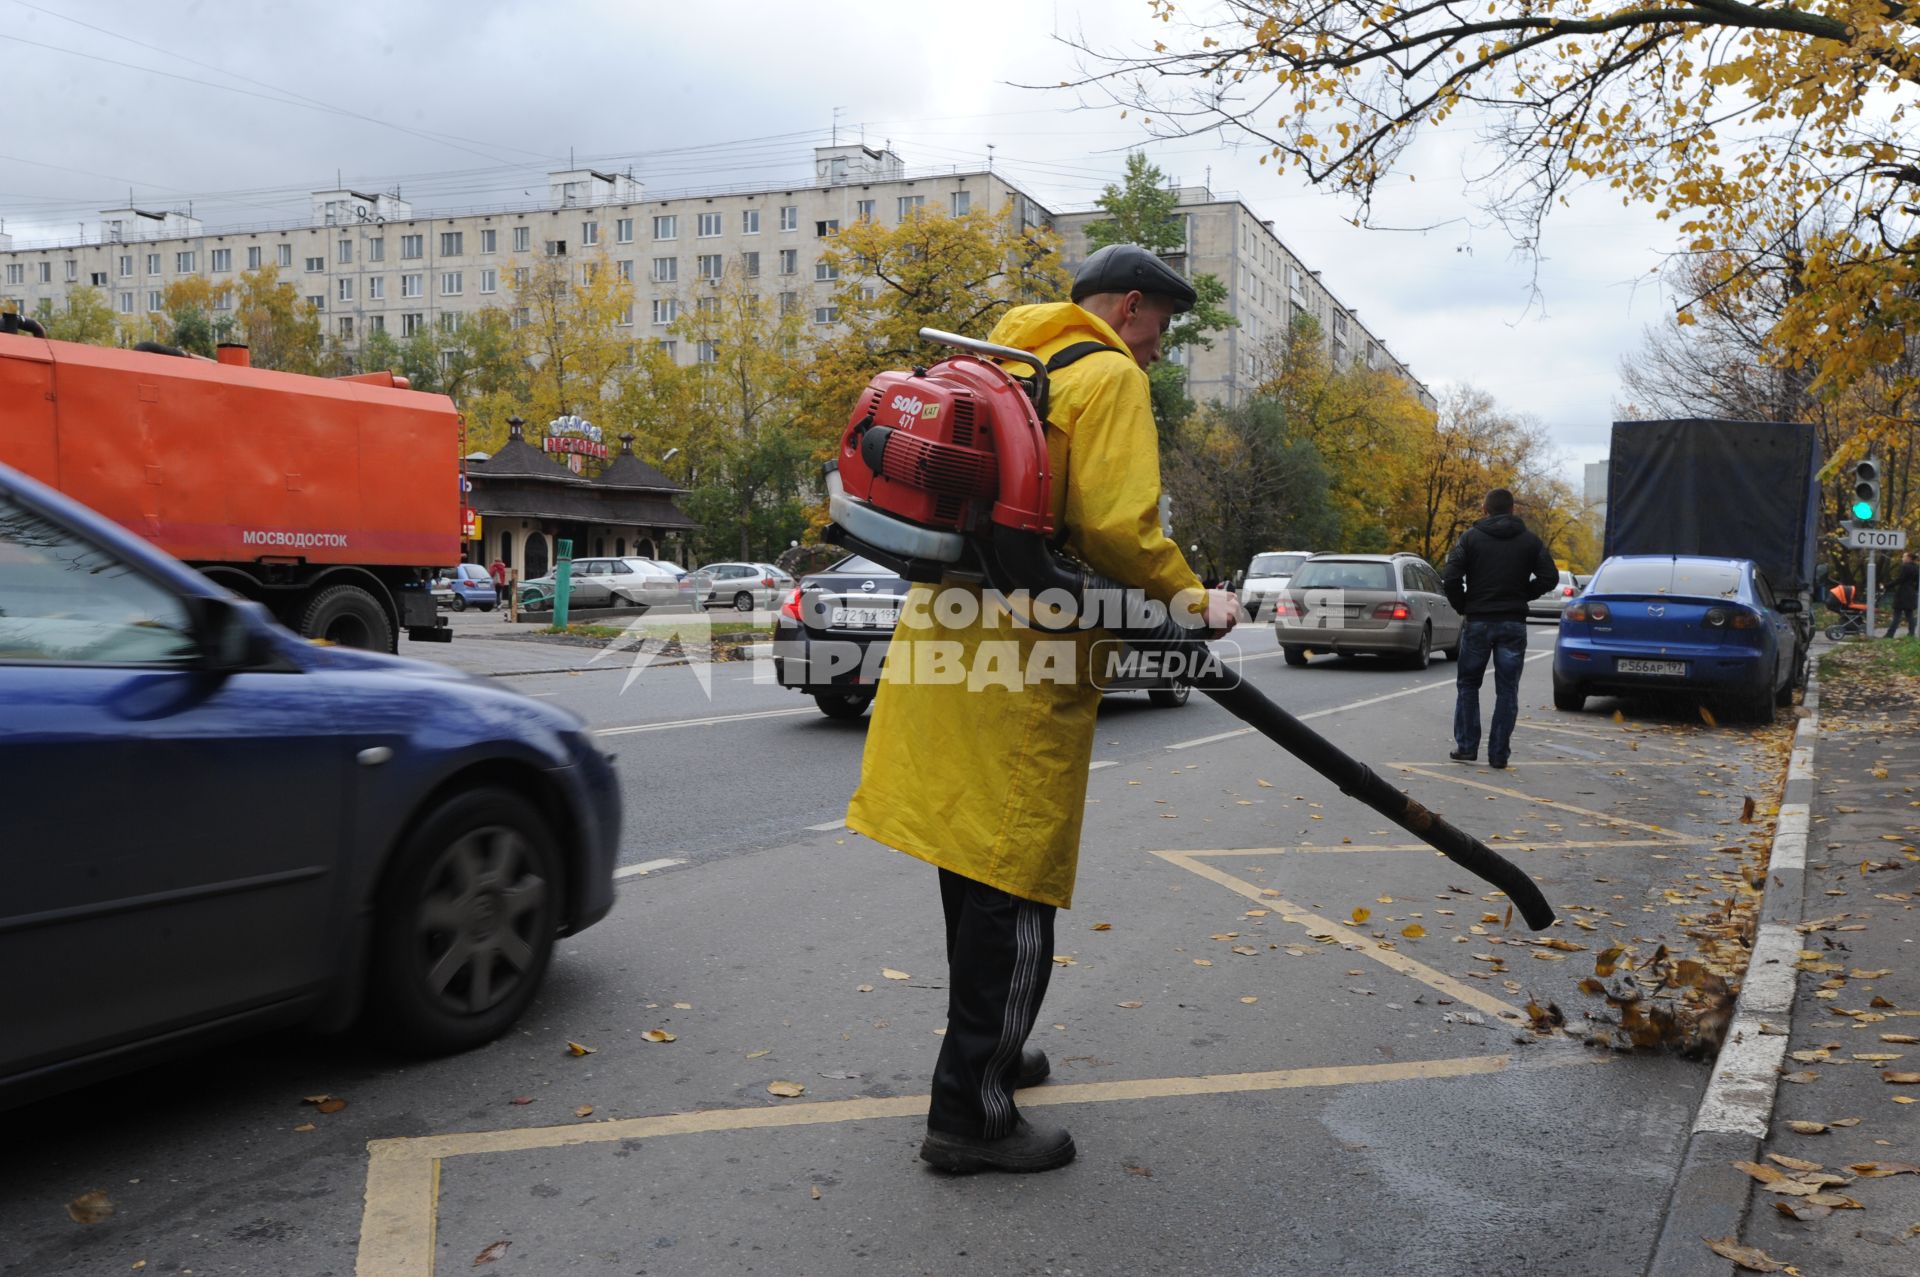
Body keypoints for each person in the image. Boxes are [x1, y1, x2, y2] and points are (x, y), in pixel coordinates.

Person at [846, 245, 1238, 1175]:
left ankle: (999, 1048)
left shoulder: (1005, 363)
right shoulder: (1108, 379)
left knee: (971, 863)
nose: (1157, 352)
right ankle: (971, 1112)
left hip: (946, 646)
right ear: (1132, 308)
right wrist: (1197, 600)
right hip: (1024, 663)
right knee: (1016, 882)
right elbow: (1116, 526)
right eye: (1162, 331)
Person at [1441, 488, 1558, 769]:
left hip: (1478, 621)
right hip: (1512, 624)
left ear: (1485, 509)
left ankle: (1467, 747)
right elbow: (1549, 576)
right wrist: (1523, 595)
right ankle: (1498, 754)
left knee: (1469, 684)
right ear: (1512, 510)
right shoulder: (1530, 541)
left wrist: (1464, 605)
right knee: (1507, 690)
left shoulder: (1470, 539)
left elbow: (1451, 576)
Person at [1886, 551, 1918, 638]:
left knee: (1897, 615)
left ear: (1909, 558)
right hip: (1911, 593)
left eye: (1904, 557)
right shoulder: (1916, 568)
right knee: (1910, 615)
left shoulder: (1905, 567)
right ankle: (1911, 633)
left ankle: (1890, 634)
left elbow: (1900, 579)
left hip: (1902, 593)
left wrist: (1887, 585)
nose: (1902, 558)